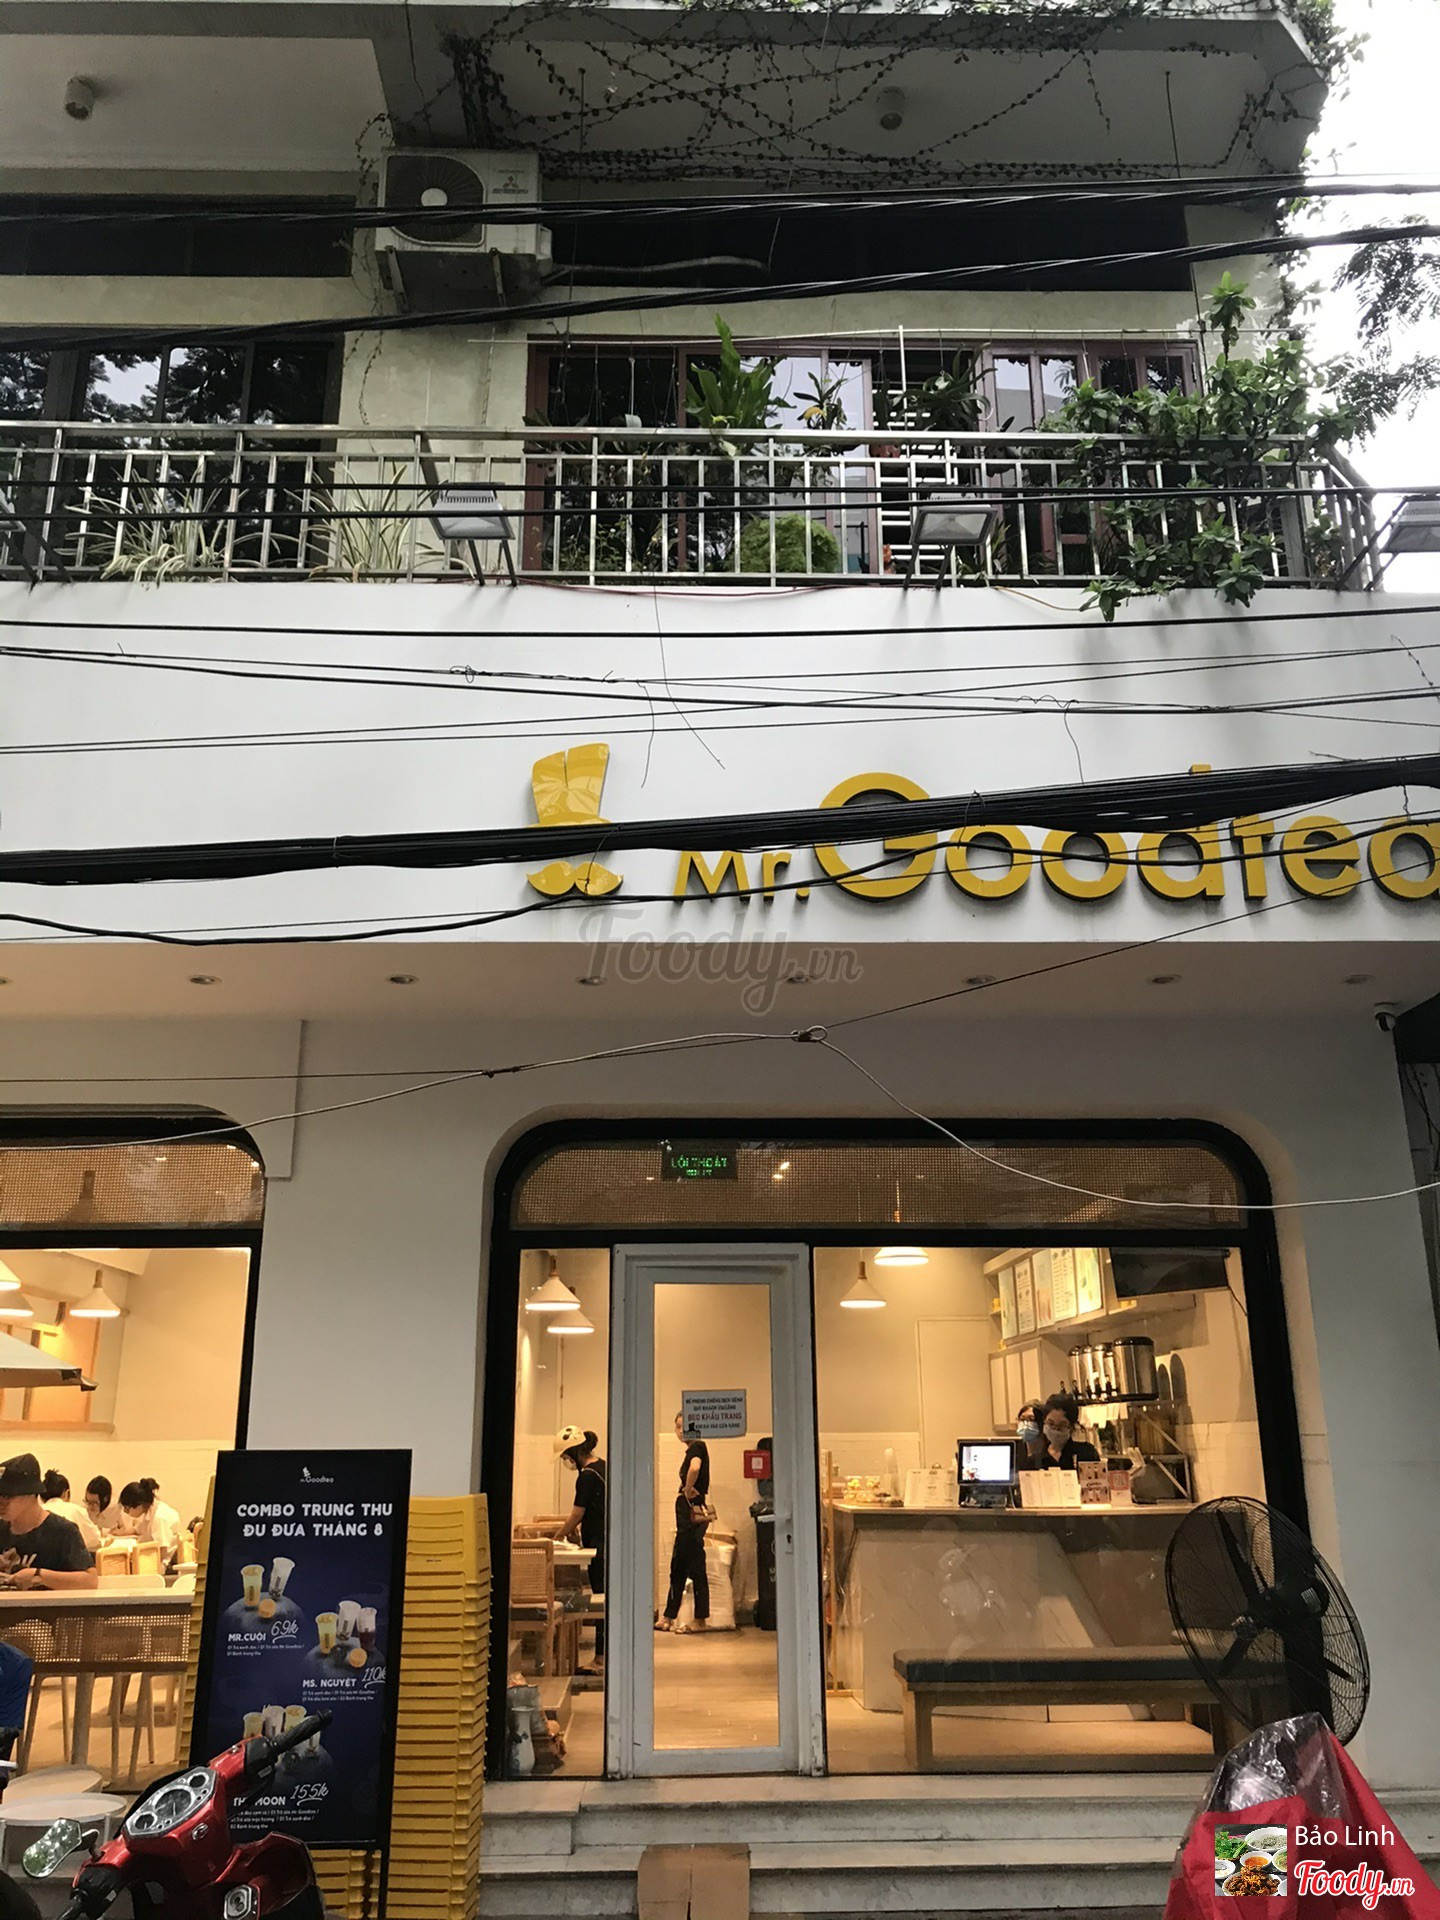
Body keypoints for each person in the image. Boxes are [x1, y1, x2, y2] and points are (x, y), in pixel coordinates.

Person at [0, 1454, 97, 1590]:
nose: (1, 1504)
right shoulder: (2, 1530)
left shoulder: (62, 1532)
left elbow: (90, 1581)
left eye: (6, 1496)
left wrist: (38, 1576)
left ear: (31, 1493)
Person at [555, 1425, 606, 1673]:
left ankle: (600, 1659)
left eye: (566, 1457)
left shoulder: (587, 1476)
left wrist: (557, 1537)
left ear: (575, 1452)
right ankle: (605, 1655)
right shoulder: (602, 1466)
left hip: (599, 1545)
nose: (566, 1462)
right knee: (606, 1598)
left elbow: (577, 1513)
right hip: (606, 1540)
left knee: (601, 1599)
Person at [658, 1413, 710, 1635]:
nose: (681, 1431)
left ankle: (695, 1619)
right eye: (678, 1427)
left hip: (690, 1512)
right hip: (690, 1512)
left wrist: (687, 1490)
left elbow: (695, 1468)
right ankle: (670, 1616)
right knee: (685, 1564)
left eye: (685, 1427)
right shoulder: (694, 1448)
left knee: (688, 1564)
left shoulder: (697, 1447)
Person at [118, 1478, 183, 1567]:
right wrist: (117, 1533)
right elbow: (137, 1530)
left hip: (164, 1564)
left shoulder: (159, 1518)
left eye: (127, 1508)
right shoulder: (148, 1511)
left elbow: (162, 1550)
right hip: (154, 1558)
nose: (126, 1512)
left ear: (139, 1505)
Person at [1035, 1393, 1101, 1471]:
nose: (1055, 1430)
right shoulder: (1036, 1460)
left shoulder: (1086, 1452)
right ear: (1044, 1421)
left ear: (1071, 1427)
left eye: (1062, 1425)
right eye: (1051, 1424)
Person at [41, 1470, 102, 1552]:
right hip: (68, 1558)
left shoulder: (38, 1511)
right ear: (66, 1493)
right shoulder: (76, 1510)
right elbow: (94, 1540)